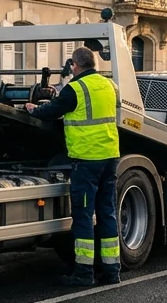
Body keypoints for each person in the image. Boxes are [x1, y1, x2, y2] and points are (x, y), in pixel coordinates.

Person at [25, 46, 121, 286]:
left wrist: (33, 109)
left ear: (75, 65)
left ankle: (84, 273)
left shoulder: (75, 88)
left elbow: (52, 111)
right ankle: (112, 272)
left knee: (83, 216)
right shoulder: (109, 85)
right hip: (110, 157)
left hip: (87, 160)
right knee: (107, 212)